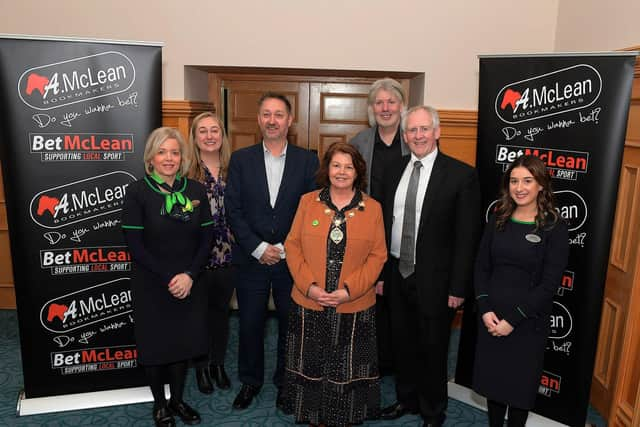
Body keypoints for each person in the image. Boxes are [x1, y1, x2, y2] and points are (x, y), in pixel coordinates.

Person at [379, 106, 481, 427]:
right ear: (405, 135)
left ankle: (433, 411)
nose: (418, 136)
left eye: (425, 129)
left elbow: (467, 237)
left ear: (437, 132)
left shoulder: (461, 175)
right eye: (412, 130)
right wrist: (382, 276)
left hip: (437, 280)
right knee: (402, 343)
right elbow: (383, 226)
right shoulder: (393, 169)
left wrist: (458, 288)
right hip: (397, 272)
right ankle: (406, 400)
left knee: (434, 347)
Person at [281, 142, 387, 426]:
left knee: (348, 363)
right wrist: (310, 287)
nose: (341, 172)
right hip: (310, 301)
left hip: (353, 304)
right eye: (336, 165)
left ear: (358, 172)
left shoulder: (373, 208)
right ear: (327, 169)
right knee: (311, 360)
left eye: (348, 166)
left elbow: (378, 256)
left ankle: (347, 416)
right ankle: (313, 416)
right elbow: (292, 246)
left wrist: (348, 291)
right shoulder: (307, 202)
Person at [224, 92, 319, 410]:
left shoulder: (308, 160)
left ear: (290, 120)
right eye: (266, 114)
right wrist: (259, 247)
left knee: (291, 326)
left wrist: (284, 248)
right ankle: (250, 382)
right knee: (250, 325)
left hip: (292, 261)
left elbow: (311, 212)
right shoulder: (241, 159)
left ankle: (285, 383)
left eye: (279, 114)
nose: (272, 120)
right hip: (252, 259)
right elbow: (233, 210)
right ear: (259, 119)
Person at [121, 127, 214, 427]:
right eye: (162, 152)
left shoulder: (196, 190)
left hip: (190, 282)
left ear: (183, 157)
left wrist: (188, 275)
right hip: (152, 282)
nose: (169, 158)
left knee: (182, 344)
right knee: (156, 345)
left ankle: (177, 400)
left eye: (175, 152)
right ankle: (160, 405)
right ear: (151, 157)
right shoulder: (137, 192)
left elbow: (207, 238)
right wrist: (169, 278)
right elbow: (135, 246)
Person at [473, 155, 569, 427]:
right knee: (494, 386)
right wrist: (485, 309)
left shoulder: (554, 226)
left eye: (528, 180)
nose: (520, 187)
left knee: (518, 391)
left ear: (541, 184)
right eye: (514, 181)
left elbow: (549, 285)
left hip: (527, 323)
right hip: (491, 317)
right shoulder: (498, 218)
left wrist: (512, 320)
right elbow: (481, 267)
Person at [349, 77, 410, 376]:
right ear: (372, 108)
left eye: (391, 101)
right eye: (379, 102)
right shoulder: (358, 142)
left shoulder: (414, 138)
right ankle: (373, 360)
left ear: (401, 106)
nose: (385, 108)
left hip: (405, 231)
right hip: (368, 230)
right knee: (370, 294)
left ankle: (398, 361)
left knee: (399, 297)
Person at [187, 112, 235, 394]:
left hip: (230, 255)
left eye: (214, 130)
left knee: (221, 312)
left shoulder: (234, 168)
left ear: (222, 135)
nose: (209, 136)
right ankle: (201, 367)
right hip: (198, 256)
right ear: (194, 137)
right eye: (202, 131)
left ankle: (218, 364)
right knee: (199, 314)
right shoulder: (186, 172)